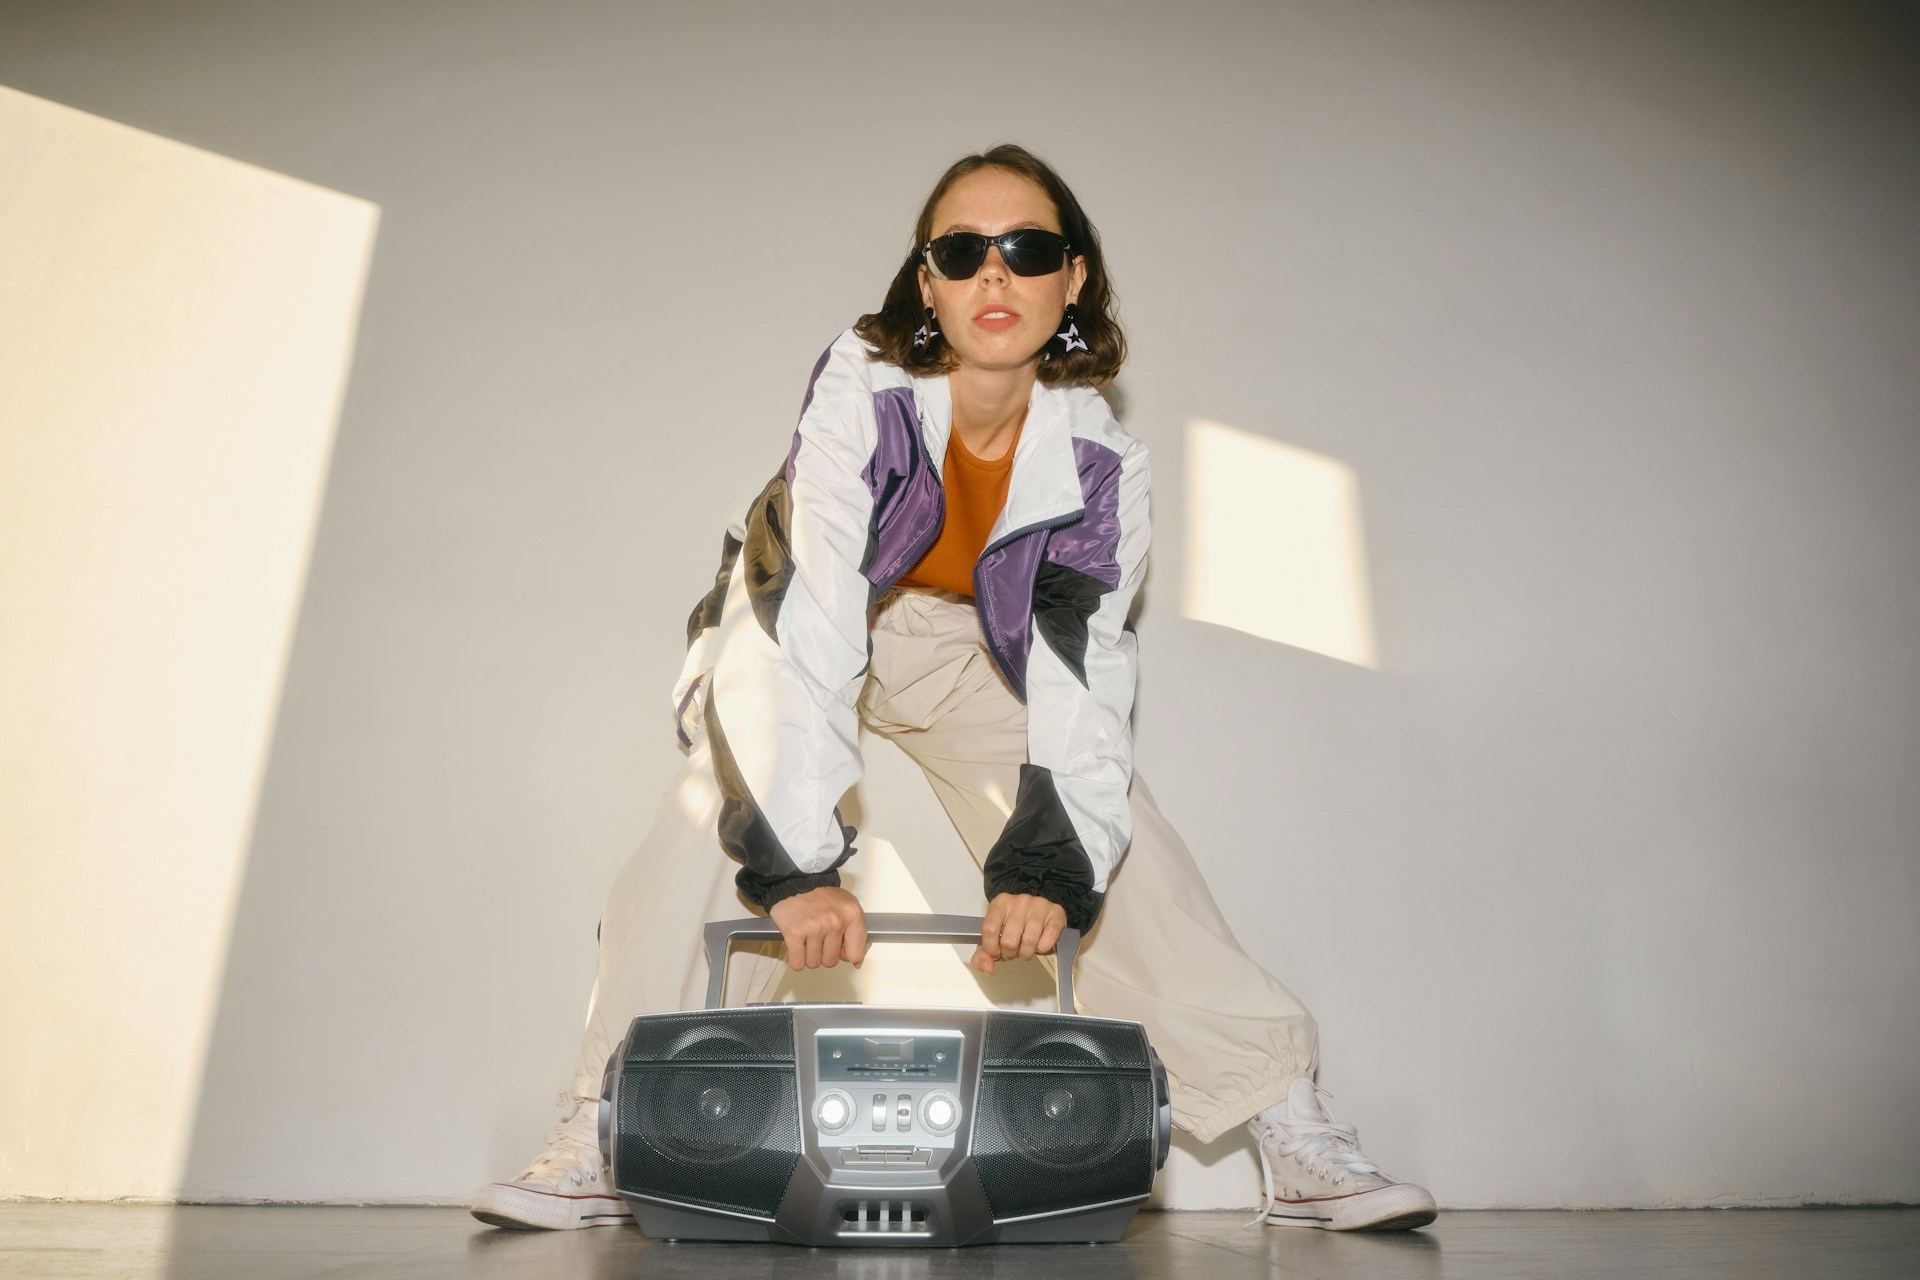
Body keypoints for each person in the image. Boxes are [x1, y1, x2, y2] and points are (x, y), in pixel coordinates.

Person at [470, 144, 1436, 1234]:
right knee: (702, 829)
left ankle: (1285, 1121)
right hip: (815, 619)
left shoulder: (1103, 463)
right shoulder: (862, 391)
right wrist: (795, 871)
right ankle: (605, 1128)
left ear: (1073, 279)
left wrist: (1047, 870)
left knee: (1123, 844)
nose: (995, 274)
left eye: (1027, 248)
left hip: (973, 652)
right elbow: (805, 620)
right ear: (925, 282)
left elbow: (1084, 675)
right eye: (962, 251)